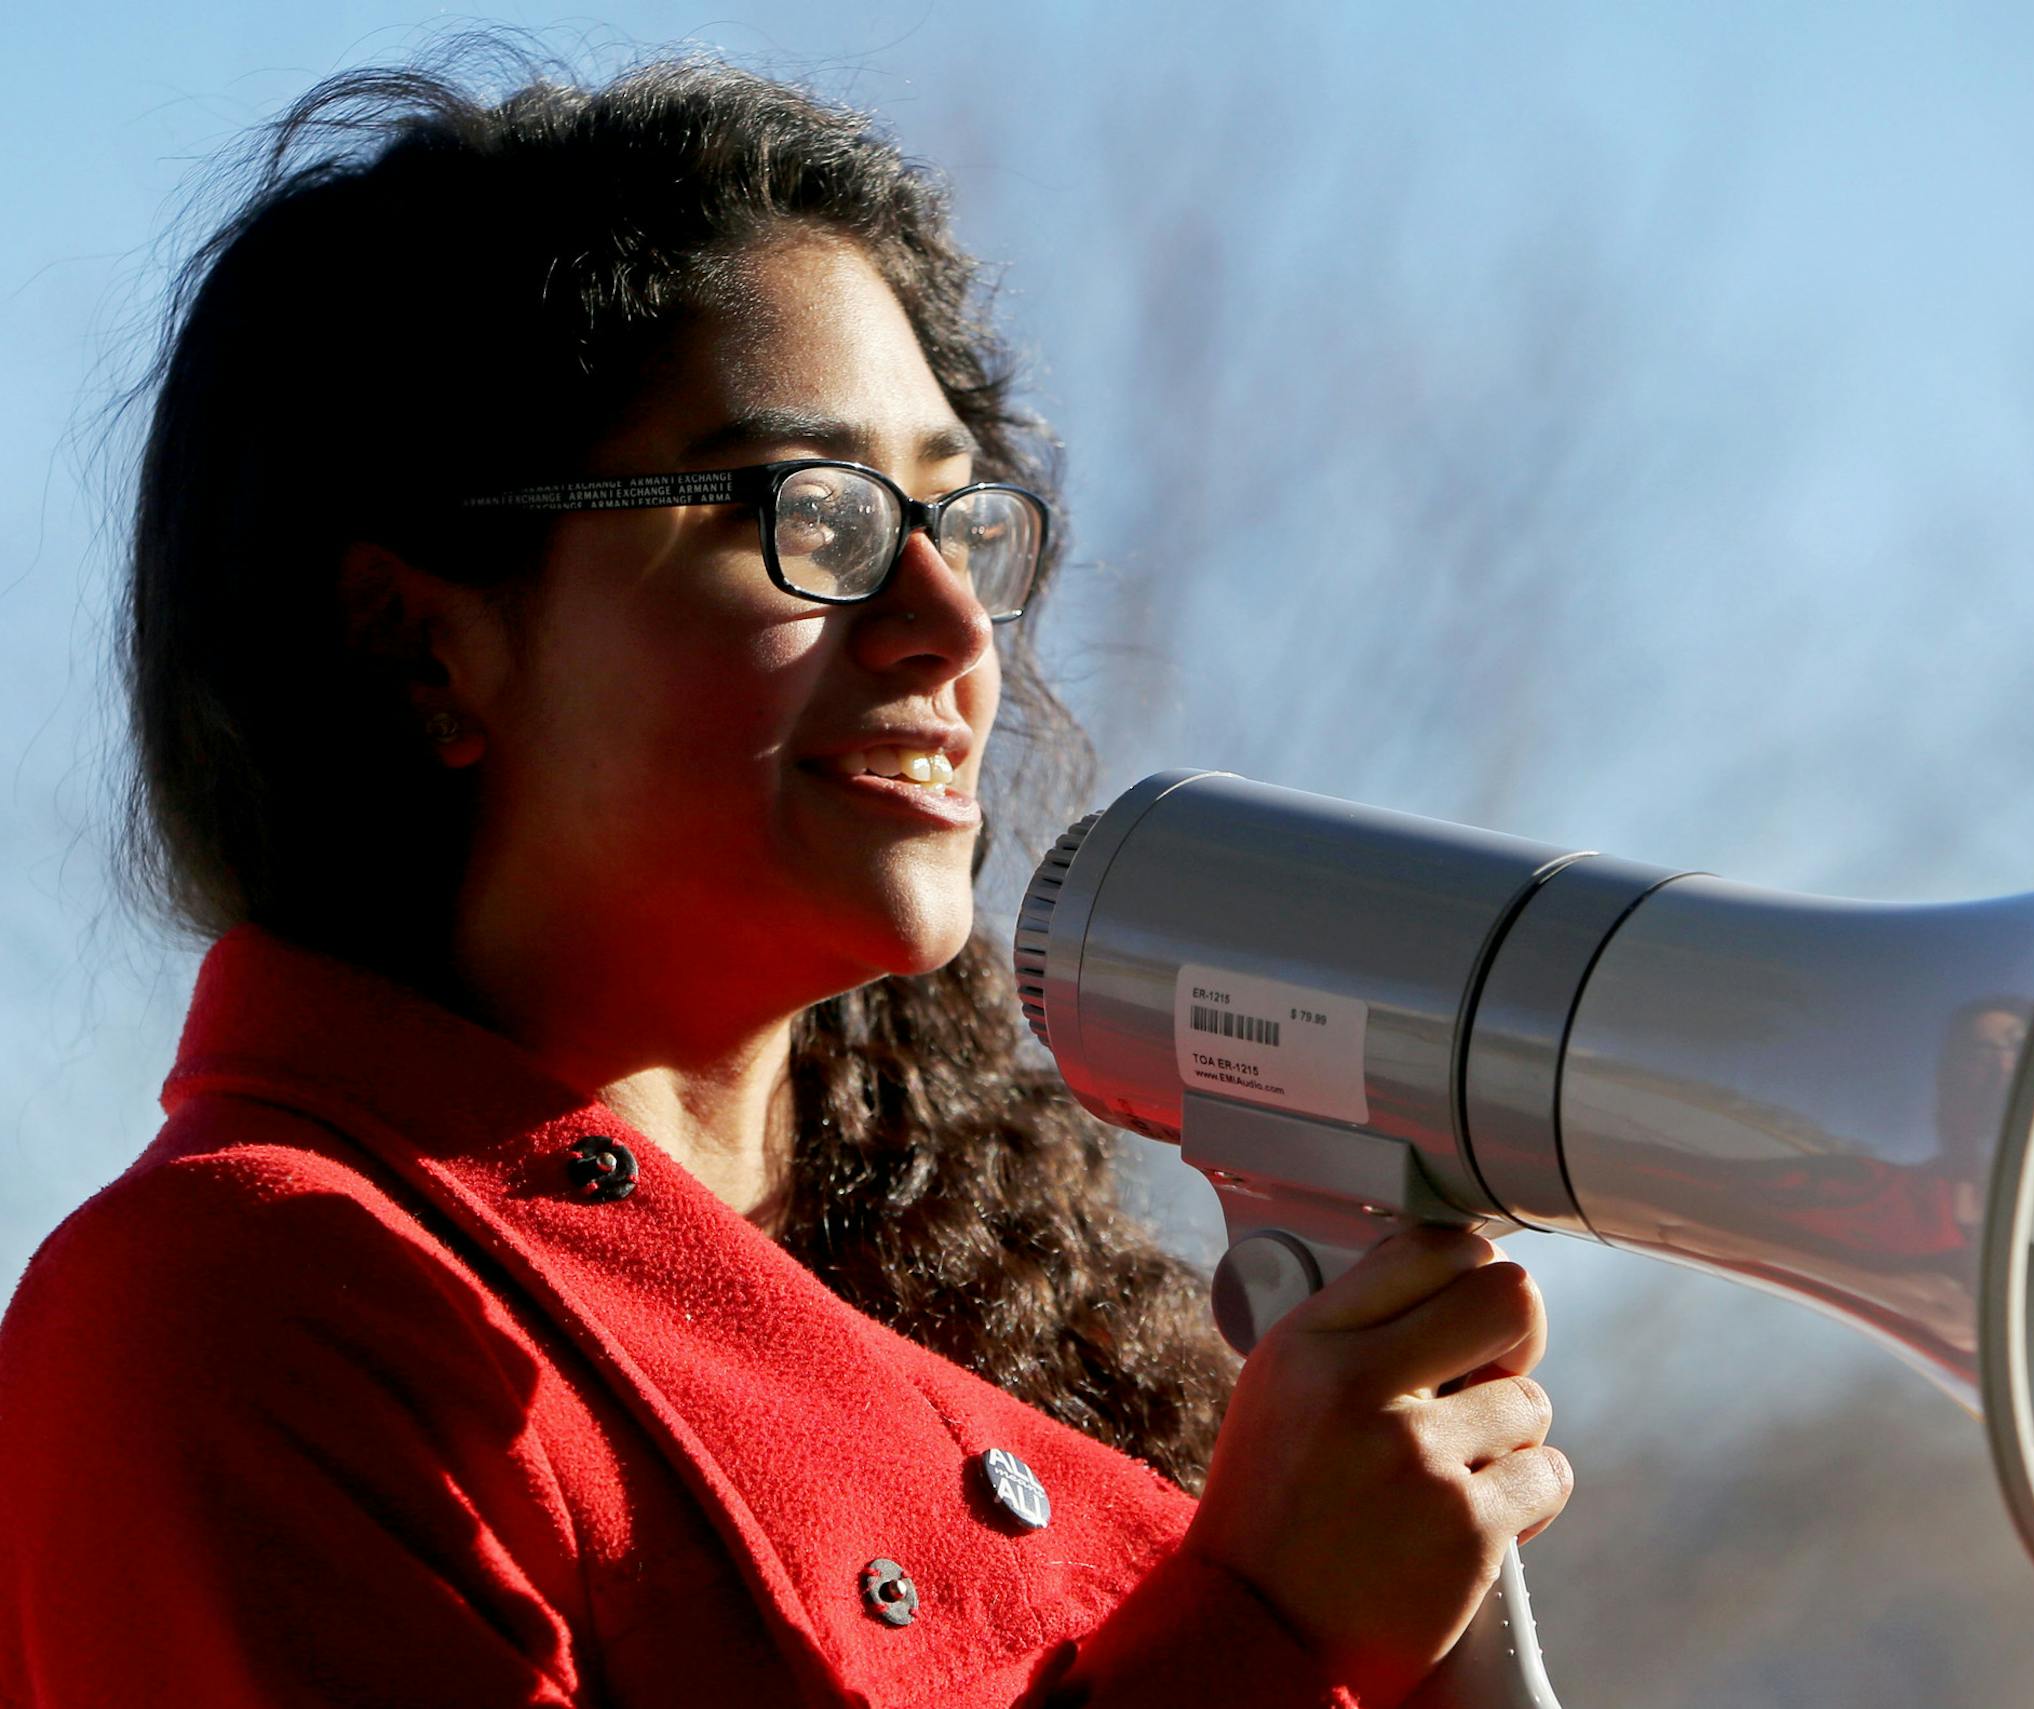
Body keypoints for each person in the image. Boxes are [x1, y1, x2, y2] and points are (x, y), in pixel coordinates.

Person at [0, 48, 1570, 1708]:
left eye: (959, 523)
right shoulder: (238, 1310)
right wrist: (1261, 1631)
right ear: (420, 646)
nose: (956, 631)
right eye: (808, 515)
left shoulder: (1021, 1306)